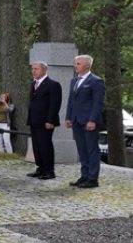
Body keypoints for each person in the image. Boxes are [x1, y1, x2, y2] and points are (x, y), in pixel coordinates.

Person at [65, 55, 105, 189]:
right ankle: (85, 176)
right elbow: (71, 101)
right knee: (82, 150)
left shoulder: (96, 81)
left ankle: (93, 179)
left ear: (87, 66)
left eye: (78, 63)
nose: (75, 65)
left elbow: (97, 103)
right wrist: (68, 117)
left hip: (89, 121)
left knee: (91, 150)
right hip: (76, 120)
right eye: (75, 63)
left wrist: (92, 120)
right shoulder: (74, 81)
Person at [26, 61, 62, 180]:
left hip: (46, 122)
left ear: (44, 70)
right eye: (32, 69)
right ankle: (40, 168)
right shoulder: (33, 84)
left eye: (36, 69)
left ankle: (49, 171)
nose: (33, 71)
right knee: (36, 146)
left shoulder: (53, 85)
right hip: (34, 120)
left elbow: (55, 104)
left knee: (45, 146)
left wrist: (50, 120)